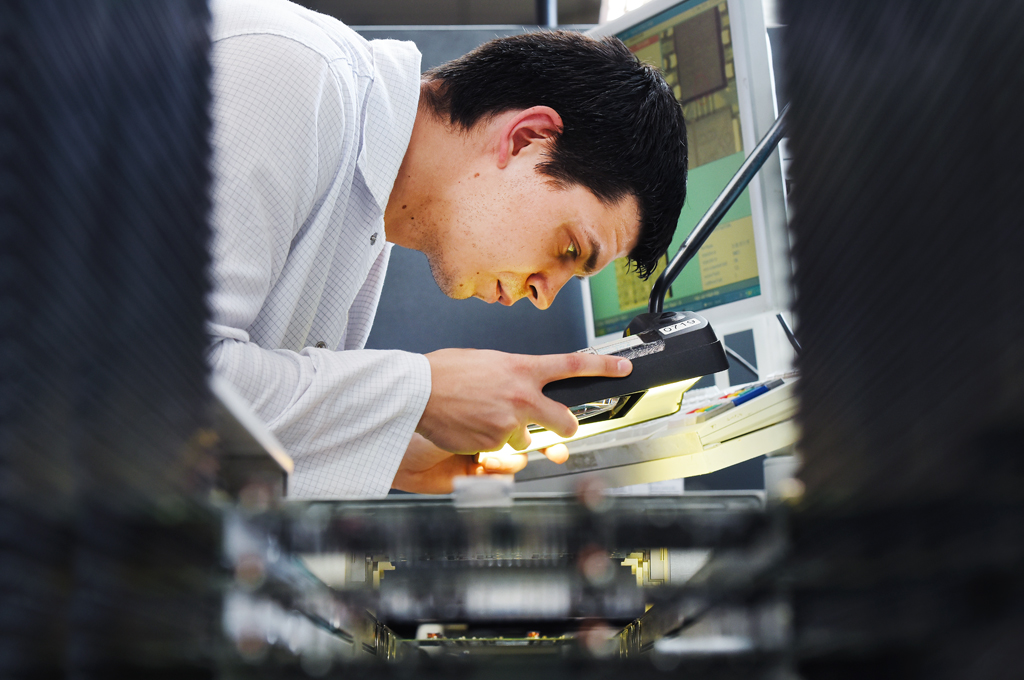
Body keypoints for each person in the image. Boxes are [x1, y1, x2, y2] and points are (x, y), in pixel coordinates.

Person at [206, 0, 688, 497]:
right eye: (569, 247)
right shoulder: (295, 74)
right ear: (526, 140)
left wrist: (390, 453)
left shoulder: (367, 213)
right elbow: (153, 381)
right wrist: (421, 392)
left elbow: (217, 426)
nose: (545, 296)